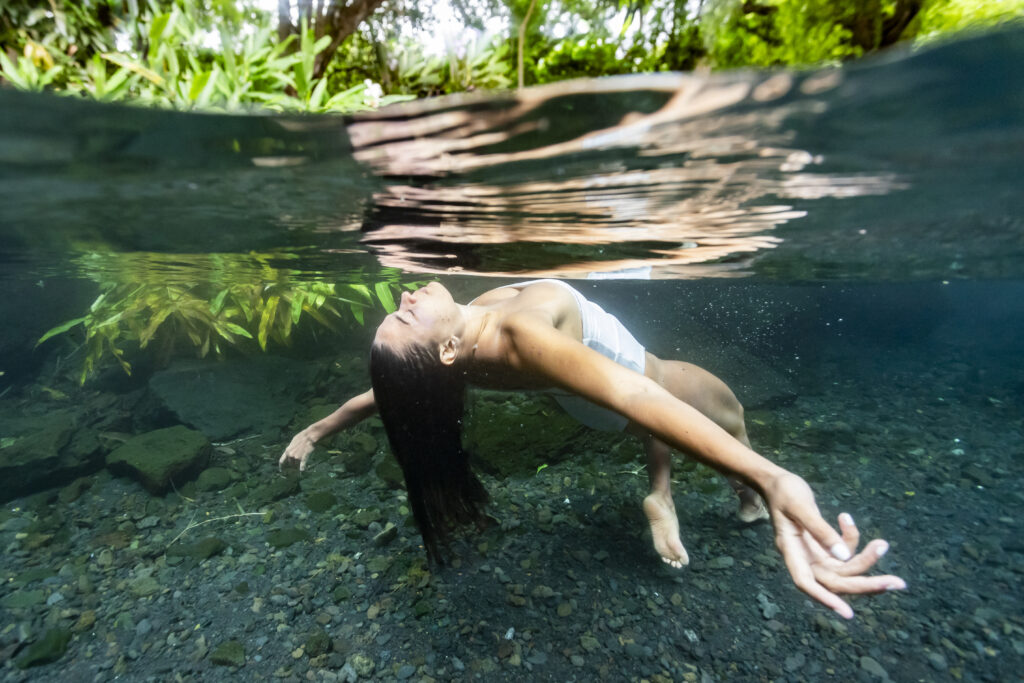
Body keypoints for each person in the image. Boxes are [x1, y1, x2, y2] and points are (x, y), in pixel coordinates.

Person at [280, 279, 905, 619]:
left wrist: (316, 430)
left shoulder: (449, 363)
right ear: (442, 350)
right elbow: (634, 393)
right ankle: (687, 495)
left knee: (661, 403)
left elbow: (386, 395)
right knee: (727, 411)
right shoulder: (518, 334)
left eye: (398, 308)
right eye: (407, 317)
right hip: (619, 381)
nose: (405, 298)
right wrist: (771, 476)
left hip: (586, 393)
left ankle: (689, 496)